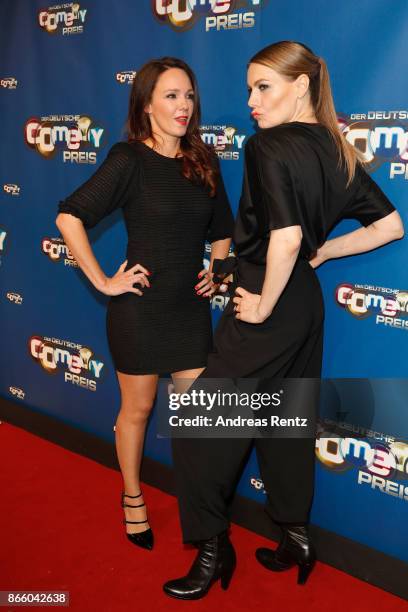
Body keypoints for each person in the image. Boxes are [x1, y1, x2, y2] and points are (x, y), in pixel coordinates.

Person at [163, 41, 404, 599]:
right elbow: (390, 226)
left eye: (263, 87)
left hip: (267, 298)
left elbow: (287, 236)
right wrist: (321, 256)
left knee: (200, 429)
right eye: (249, 87)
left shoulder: (267, 145)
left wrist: (266, 300)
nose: (250, 99)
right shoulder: (337, 148)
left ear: (301, 86)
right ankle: (295, 535)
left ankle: (211, 548)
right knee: (284, 422)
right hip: (304, 302)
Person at [55, 57, 234, 551]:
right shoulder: (128, 159)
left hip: (189, 313)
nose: (183, 106)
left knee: (201, 418)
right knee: (138, 409)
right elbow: (70, 215)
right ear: (147, 103)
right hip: (141, 310)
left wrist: (217, 272)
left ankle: (203, 514)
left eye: (189, 96)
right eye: (171, 95)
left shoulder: (204, 159)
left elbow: (222, 229)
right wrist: (103, 281)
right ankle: (132, 497)